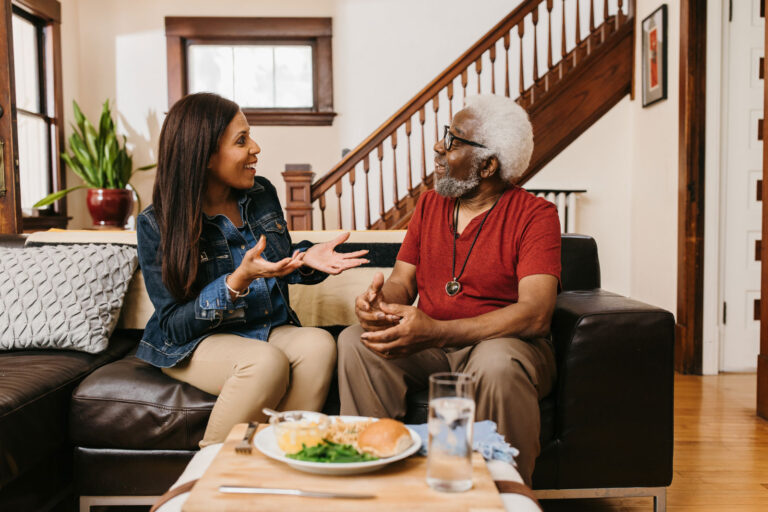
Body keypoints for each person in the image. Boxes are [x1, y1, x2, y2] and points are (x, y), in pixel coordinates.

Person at [337, 94, 560, 485]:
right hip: (434, 347)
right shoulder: (430, 205)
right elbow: (402, 281)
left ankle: (502, 493)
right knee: (359, 341)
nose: (440, 147)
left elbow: (536, 313)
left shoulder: (535, 216)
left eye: (454, 141)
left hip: (503, 342)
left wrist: (438, 330)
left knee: (496, 364)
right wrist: (379, 307)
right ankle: (373, 481)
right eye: (446, 135)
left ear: (488, 164)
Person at [137, 92, 368, 447]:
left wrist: (304, 259)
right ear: (206, 155)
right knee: (264, 363)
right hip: (195, 342)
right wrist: (234, 283)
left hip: (265, 327)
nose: (256, 147)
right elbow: (173, 325)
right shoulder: (158, 223)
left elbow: (274, 262)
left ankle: (283, 460)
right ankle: (207, 480)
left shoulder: (261, 193)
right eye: (242, 140)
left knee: (319, 344)